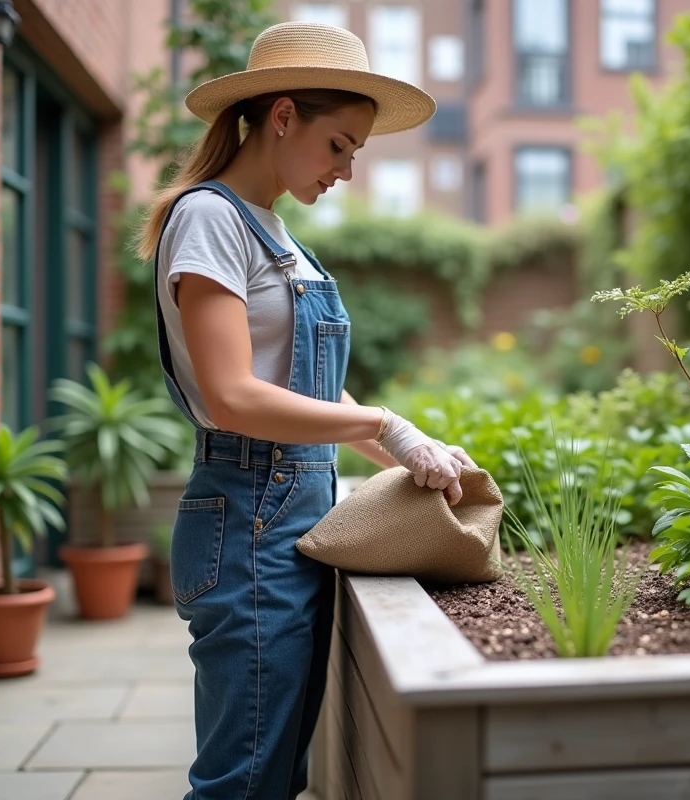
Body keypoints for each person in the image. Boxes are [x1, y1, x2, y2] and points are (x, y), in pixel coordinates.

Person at [134, 21, 477, 800]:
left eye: (356, 152)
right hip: (249, 516)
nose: (348, 171)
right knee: (244, 780)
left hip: (290, 516)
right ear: (283, 116)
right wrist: (382, 423)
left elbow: (306, 392)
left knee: (274, 771)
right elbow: (233, 395)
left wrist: (412, 450)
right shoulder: (211, 218)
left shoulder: (276, 232)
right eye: (339, 145)